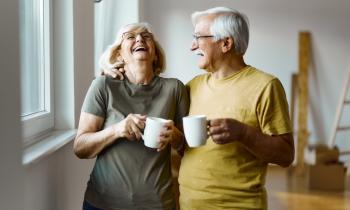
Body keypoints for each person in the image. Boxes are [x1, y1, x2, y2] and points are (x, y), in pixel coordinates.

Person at [103, 7, 294, 210]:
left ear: (226, 43)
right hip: (189, 204)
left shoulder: (266, 86)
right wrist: (113, 68)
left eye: (198, 38)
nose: (192, 46)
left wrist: (243, 133)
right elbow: (182, 143)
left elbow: (286, 156)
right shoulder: (192, 86)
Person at [74, 22, 189, 210]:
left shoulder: (175, 88)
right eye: (130, 36)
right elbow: (80, 148)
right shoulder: (103, 85)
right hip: (103, 204)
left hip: (158, 205)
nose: (139, 39)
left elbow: (188, 147)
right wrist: (117, 130)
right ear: (119, 53)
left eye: (146, 36)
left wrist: (173, 135)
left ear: (155, 53)